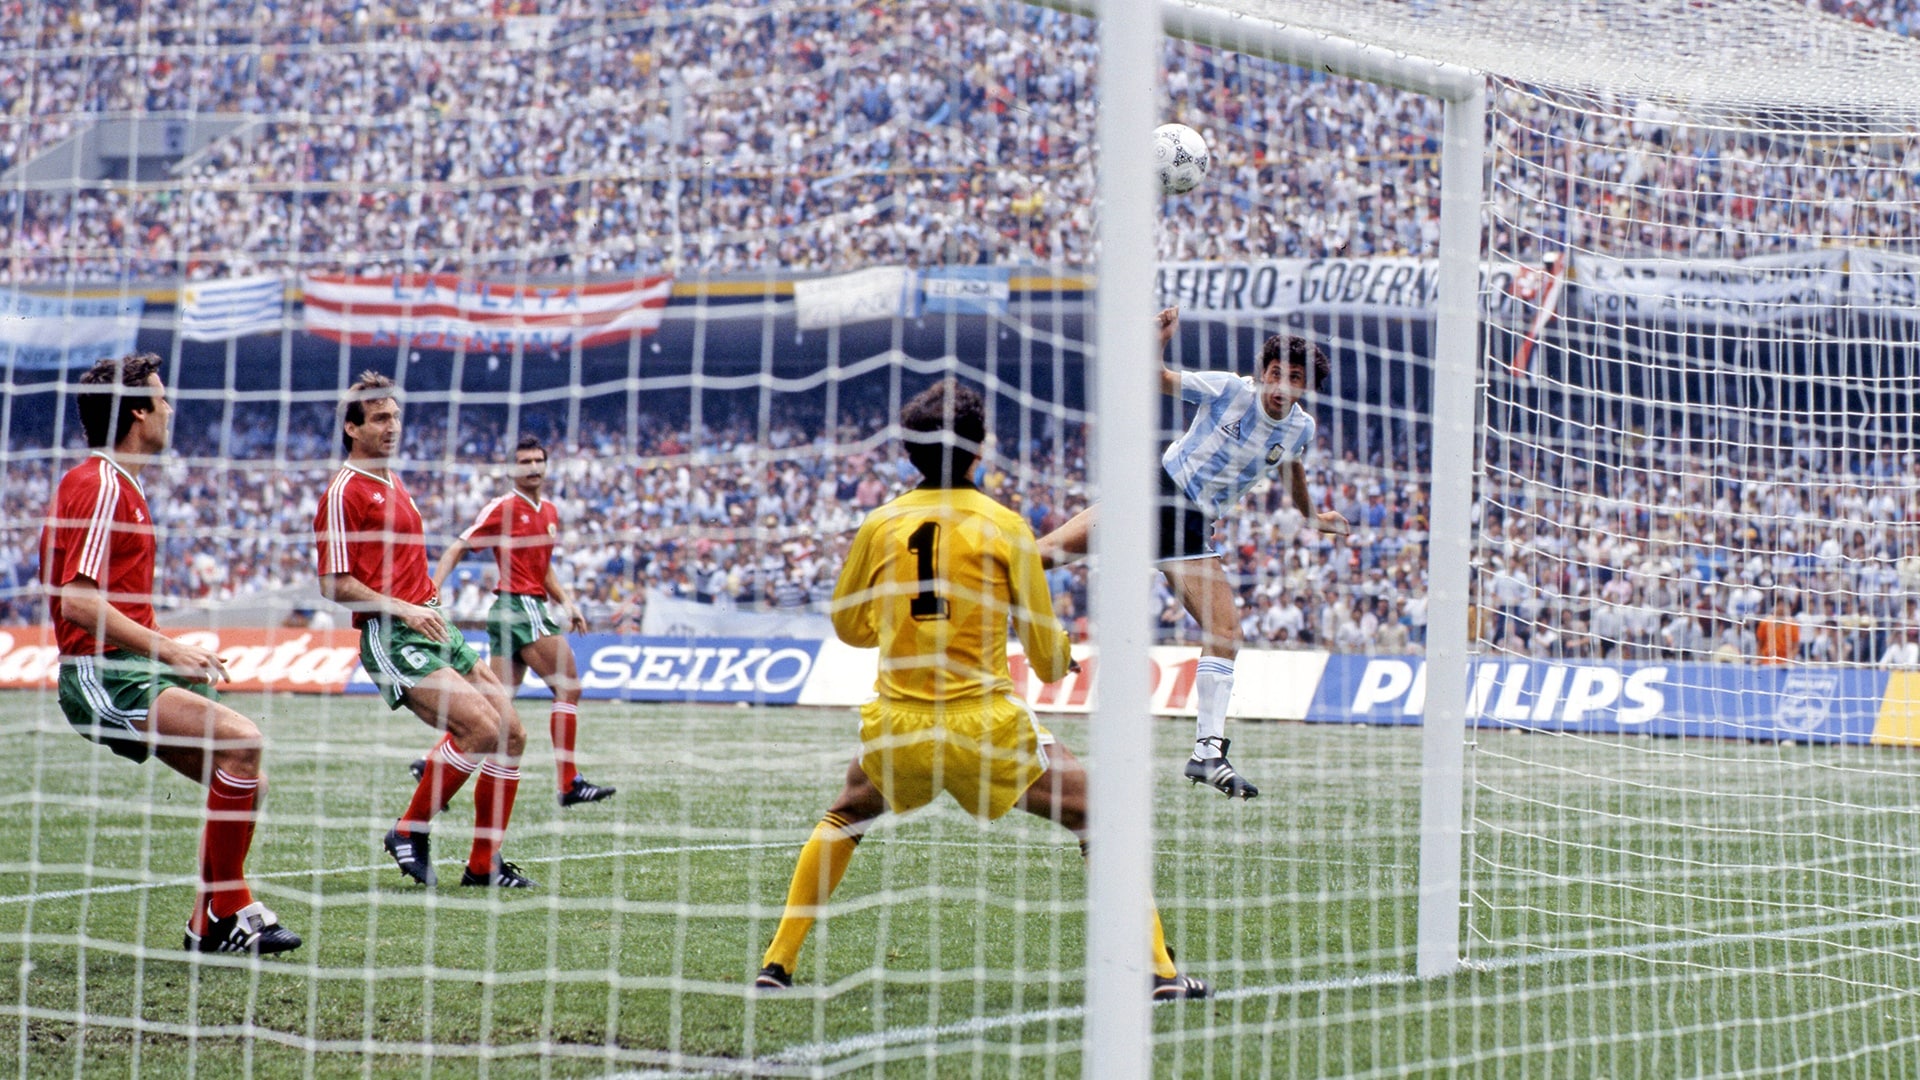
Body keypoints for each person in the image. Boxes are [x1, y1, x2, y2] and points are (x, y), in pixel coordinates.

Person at [754, 379, 1209, 1001]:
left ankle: (776, 965)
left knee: (846, 815)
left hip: (898, 722)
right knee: (1100, 817)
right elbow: (1047, 661)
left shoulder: (881, 523)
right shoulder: (1006, 526)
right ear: (979, 450)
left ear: (908, 452)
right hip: (985, 726)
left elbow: (848, 627)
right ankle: (1159, 973)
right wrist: (1063, 658)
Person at [41, 354, 300, 954]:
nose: (170, 409)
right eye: (162, 399)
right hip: (102, 673)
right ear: (137, 411)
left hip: (135, 669)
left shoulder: (119, 485)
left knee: (242, 778)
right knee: (242, 743)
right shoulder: (100, 483)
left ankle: (205, 923)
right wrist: (168, 648)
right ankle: (233, 907)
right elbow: (77, 603)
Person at [1037, 309, 1349, 798]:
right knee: (1040, 558)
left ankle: (1208, 753)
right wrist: (1157, 342)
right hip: (1156, 493)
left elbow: (1290, 471)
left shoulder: (1299, 429)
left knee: (1225, 632)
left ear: (1305, 386)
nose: (1281, 385)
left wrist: (1312, 518)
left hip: (1190, 525)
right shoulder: (1229, 391)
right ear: (1261, 371)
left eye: (1294, 378)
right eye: (1275, 373)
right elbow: (1158, 379)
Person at [314, 371, 534, 889]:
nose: (392, 426)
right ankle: (408, 831)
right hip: (391, 635)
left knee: (513, 735)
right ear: (352, 427)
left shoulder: (393, 480)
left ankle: (483, 866)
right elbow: (333, 584)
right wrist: (405, 609)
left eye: (395, 416)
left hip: (435, 626)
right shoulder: (343, 494)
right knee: (480, 729)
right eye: (380, 418)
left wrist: (427, 604)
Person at [427, 435, 615, 808]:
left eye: (537, 461)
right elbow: (459, 546)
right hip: (519, 606)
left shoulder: (549, 512)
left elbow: (542, 569)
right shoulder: (504, 507)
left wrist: (567, 602)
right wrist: (433, 589)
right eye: (524, 462)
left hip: (523, 608)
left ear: (546, 466)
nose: (532, 467)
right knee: (569, 687)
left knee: (496, 707)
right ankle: (568, 782)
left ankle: (429, 764)